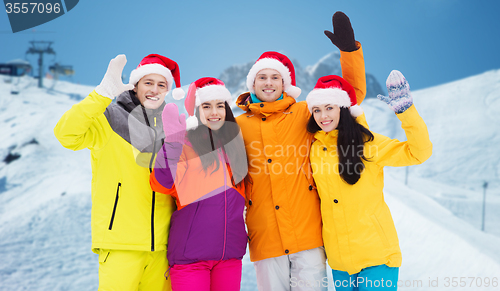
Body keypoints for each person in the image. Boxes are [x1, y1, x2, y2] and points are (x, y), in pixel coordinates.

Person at [235, 11, 367, 291]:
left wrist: (349, 52)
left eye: (275, 77)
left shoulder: (305, 111)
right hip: (266, 234)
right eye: (262, 77)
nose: (268, 82)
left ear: (285, 84)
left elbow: (347, 97)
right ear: (252, 84)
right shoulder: (237, 125)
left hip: (309, 233)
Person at [54, 54, 185, 291]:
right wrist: (102, 93)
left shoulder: (174, 126)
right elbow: (66, 135)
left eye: (161, 84)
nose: (154, 89)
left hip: (164, 248)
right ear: (135, 85)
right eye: (148, 82)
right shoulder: (110, 118)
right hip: (121, 243)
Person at [305, 71, 433, 290]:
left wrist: (406, 113)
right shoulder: (314, 148)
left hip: (376, 256)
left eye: (329, 108)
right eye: (317, 110)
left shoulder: (367, 143)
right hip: (340, 262)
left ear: (343, 109)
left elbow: (419, 153)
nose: (323, 116)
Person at [150, 77, 248, 291]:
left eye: (219, 105)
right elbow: (161, 183)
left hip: (229, 256)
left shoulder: (235, 147)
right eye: (206, 106)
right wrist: (172, 145)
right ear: (195, 110)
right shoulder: (184, 144)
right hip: (191, 257)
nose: (214, 112)